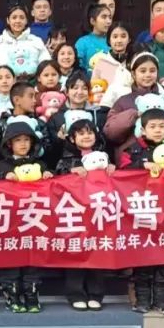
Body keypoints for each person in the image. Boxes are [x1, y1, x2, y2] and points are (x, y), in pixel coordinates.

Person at [120, 108, 164, 315]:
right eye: (153, 127)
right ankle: (142, 300)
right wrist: (143, 165)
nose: (158, 130)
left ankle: (162, 300)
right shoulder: (132, 150)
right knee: (143, 257)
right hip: (142, 212)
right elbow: (123, 173)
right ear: (143, 130)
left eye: (162, 126)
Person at [0, 117, 52, 313]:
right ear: (9, 144)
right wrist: (3, 177)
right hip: (9, 222)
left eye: (27, 140)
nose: (23, 144)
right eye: (18, 140)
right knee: (11, 257)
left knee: (32, 258)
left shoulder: (41, 164)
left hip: (34, 221)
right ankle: (12, 292)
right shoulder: (0, 166)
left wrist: (49, 176)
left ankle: (31, 292)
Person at [56, 117, 112, 311]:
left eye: (90, 132)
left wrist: (112, 169)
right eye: (81, 133)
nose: (86, 136)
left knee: (98, 253)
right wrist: (70, 171)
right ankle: (76, 294)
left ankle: (96, 294)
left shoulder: (104, 156)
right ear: (72, 138)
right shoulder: (66, 158)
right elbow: (57, 179)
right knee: (76, 253)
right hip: (75, 214)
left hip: (98, 213)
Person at [103, 53, 164, 162]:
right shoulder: (123, 101)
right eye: (142, 71)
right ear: (133, 74)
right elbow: (110, 133)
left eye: (152, 71)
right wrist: (133, 115)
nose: (148, 75)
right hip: (132, 159)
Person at [0, 81, 47, 163]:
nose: (35, 100)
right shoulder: (0, 124)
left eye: (35, 96)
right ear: (17, 100)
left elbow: (47, 148)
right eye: (31, 96)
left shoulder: (39, 123)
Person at [0, 5, 51, 77]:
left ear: (26, 21)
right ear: (8, 20)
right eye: (14, 17)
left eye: (22, 18)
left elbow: (46, 65)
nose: (18, 21)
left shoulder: (36, 41)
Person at [47, 71, 108, 143]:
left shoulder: (99, 114)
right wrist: (59, 139)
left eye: (84, 88)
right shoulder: (56, 118)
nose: (80, 92)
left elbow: (105, 142)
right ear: (66, 92)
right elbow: (51, 146)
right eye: (75, 88)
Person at [73, 4, 112, 75]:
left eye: (110, 17)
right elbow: (77, 68)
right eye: (104, 17)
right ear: (93, 21)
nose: (108, 21)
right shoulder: (82, 42)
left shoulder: (113, 41)